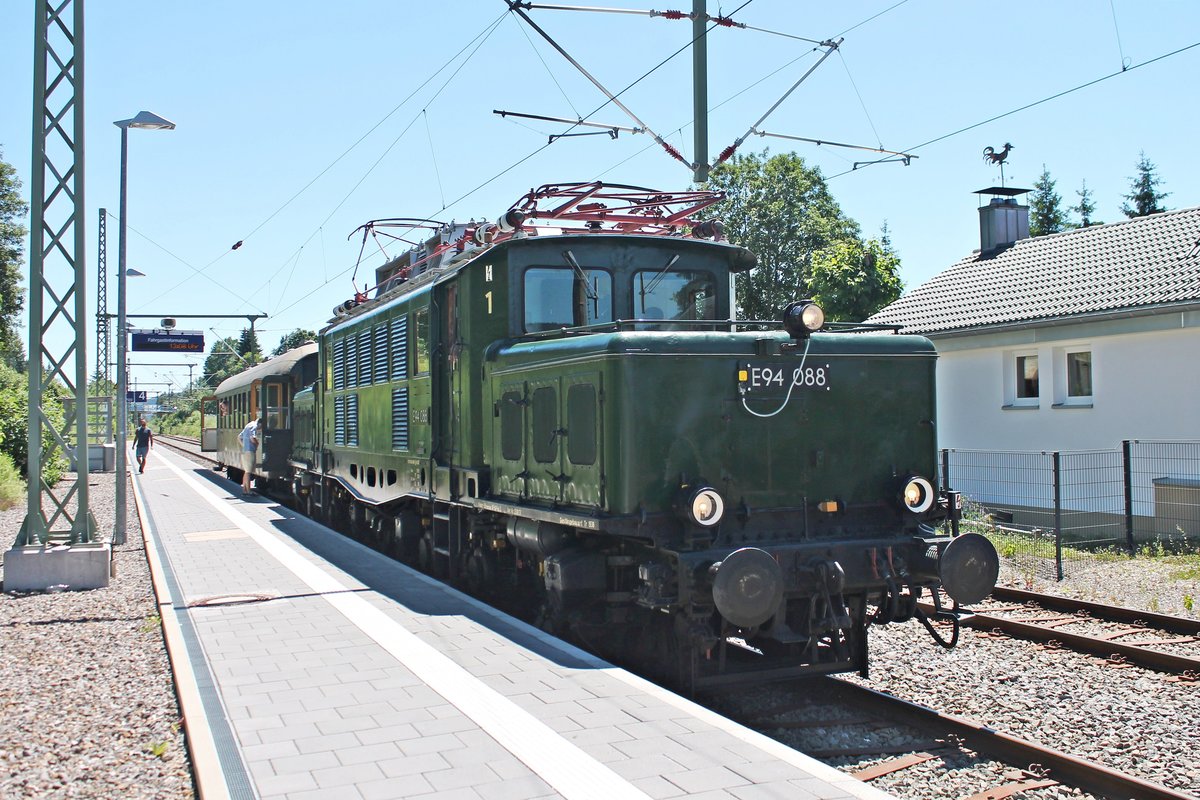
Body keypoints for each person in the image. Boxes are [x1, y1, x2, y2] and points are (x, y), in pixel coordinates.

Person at [239, 417, 263, 496]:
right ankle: (248, 491)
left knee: (246, 472)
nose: (260, 429)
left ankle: (245, 490)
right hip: (250, 452)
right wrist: (257, 444)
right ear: (260, 423)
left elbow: (239, 437)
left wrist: (244, 446)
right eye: (261, 427)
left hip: (245, 451)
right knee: (248, 472)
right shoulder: (254, 426)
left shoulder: (248, 425)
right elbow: (252, 438)